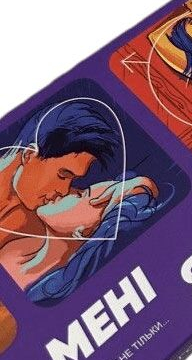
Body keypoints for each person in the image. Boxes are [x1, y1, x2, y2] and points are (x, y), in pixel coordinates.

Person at [0, 174, 165, 302]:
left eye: (81, 195)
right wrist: (142, 183)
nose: (67, 190)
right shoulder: (18, 245)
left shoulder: (48, 292)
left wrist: (140, 185)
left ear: (83, 231)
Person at [0, 100, 119, 254]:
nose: (64, 191)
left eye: (72, 180)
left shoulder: (45, 220)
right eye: (62, 176)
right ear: (29, 155)